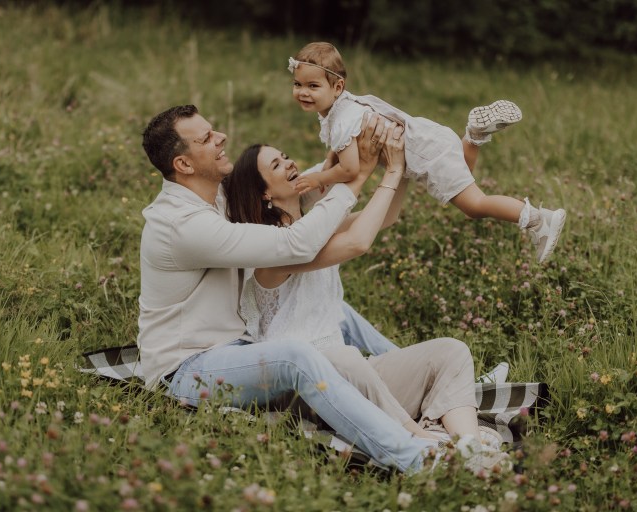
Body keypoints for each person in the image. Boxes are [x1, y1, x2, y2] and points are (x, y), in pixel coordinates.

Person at [138, 104, 441, 473]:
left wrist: (346, 154)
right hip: (187, 369)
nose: (221, 138)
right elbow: (298, 244)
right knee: (295, 357)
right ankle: (413, 457)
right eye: (206, 138)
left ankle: (425, 378)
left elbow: (281, 185)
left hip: (236, 347)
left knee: (331, 309)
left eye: (213, 130)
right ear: (184, 164)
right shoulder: (181, 224)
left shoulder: (212, 194)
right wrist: (357, 180)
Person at [223, 133, 510, 471]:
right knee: (343, 357)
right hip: (309, 391)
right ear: (265, 193)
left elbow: (384, 218)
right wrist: (383, 172)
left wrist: (401, 164)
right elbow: (358, 243)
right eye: (276, 164)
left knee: (451, 351)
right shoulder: (273, 250)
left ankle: (469, 445)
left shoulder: (313, 230)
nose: (289, 162)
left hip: (354, 377)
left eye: (285, 155)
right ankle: (420, 439)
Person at [288, 41, 566, 264]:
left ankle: (540, 220)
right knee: (464, 178)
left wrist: (317, 180)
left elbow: (349, 169)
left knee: (474, 206)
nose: (303, 92)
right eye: (298, 84)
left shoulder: (341, 120)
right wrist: (327, 166)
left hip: (424, 155)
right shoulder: (343, 108)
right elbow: (340, 153)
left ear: (337, 87)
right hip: (429, 139)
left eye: (313, 86)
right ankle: (473, 137)